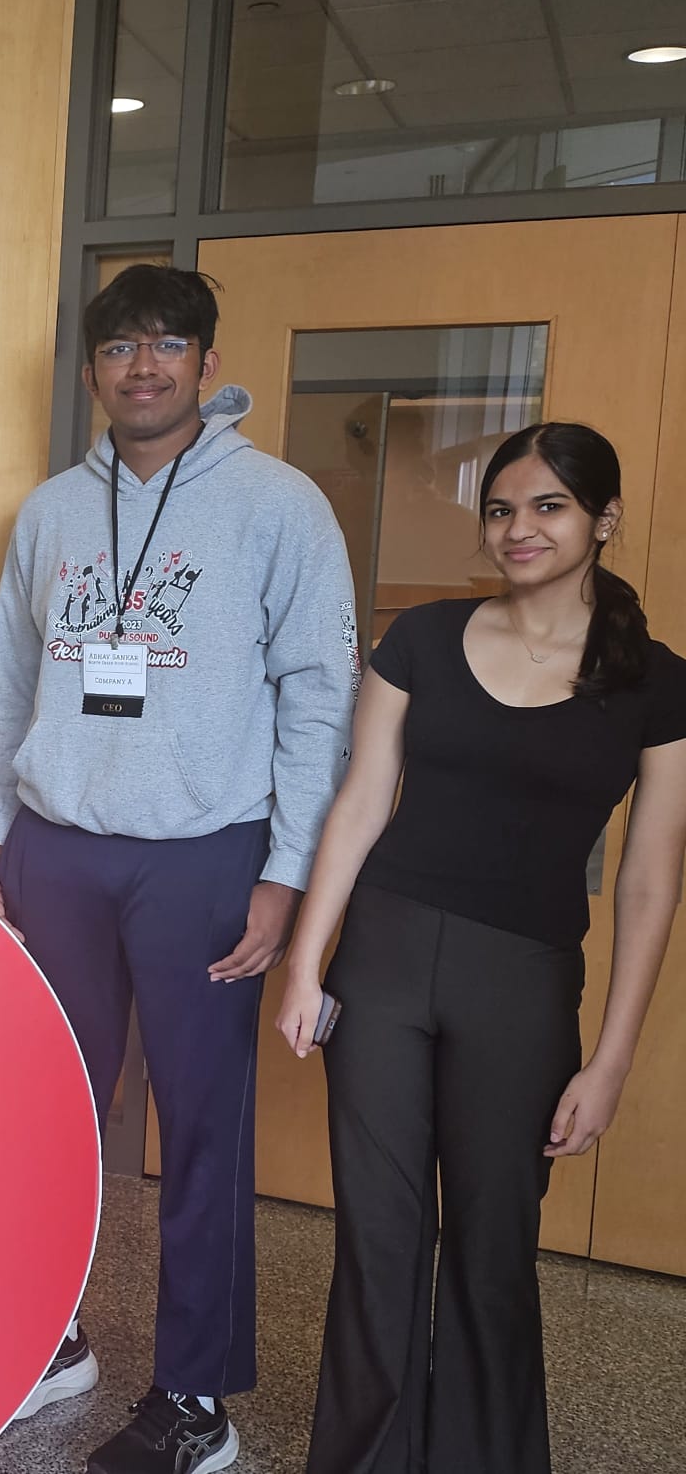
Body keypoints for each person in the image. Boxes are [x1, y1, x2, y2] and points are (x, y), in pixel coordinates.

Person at [0, 264, 358, 1474]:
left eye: (165, 344)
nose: (141, 366)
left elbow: (318, 699)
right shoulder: (45, 515)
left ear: (202, 361)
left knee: (200, 1130)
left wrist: (285, 871)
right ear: (89, 372)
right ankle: (50, 1342)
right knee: (46, 1111)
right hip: (58, 850)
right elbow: (8, 682)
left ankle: (193, 1400)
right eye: (117, 348)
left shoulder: (277, 506)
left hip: (205, 857)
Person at [276, 422, 686, 1474]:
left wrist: (609, 1060)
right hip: (384, 954)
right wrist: (303, 963)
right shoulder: (419, 637)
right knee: (375, 1238)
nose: (519, 528)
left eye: (547, 506)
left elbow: (646, 879)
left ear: (602, 521)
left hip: (522, 977)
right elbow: (361, 800)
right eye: (501, 509)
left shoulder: (656, 682)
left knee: (492, 1245)